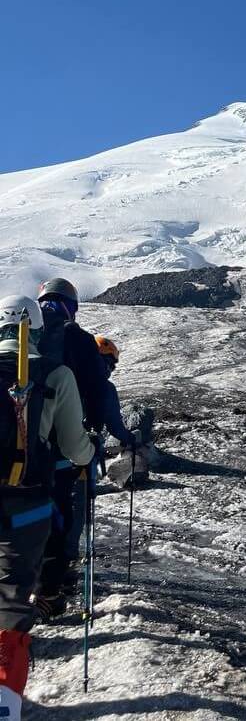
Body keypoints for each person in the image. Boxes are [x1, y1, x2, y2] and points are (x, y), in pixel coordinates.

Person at [0, 295, 95, 719]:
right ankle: (4, 700)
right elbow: (76, 450)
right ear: (39, 329)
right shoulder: (56, 373)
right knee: (11, 600)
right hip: (29, 503)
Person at [35, 278, 108, 619]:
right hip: (64, 448)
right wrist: (92, 438)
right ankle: (54, 586)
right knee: (59, 513)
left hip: (17, 445)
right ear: (71, 305)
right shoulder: (78, 340)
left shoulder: (25, 340)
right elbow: (97, 392)